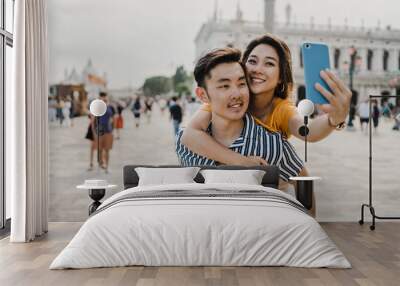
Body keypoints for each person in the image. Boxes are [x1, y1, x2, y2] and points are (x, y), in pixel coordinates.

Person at [181, 34, 352, 166]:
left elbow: (307, 131)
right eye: (252, 61)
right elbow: (190, 135)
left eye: (269, 64)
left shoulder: (281, 109)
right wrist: (242, 162)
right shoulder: (228, 100)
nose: (257, 70)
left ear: (280, 76)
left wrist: (334, 119)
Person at [176, 47, 306, 188]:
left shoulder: (273, 144)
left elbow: (304, 183)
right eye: (225, 86)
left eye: (242, 84)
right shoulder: (184, 144)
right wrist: (243, 162)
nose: (236, 94)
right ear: (203, 95)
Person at [97, 92, 115, 173]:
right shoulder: (98, 107)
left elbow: (113, 118)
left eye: (105, 98)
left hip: (108, 130)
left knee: (107, 150)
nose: (103, 99)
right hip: (100, 130)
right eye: (102, 98)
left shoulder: (110, 107)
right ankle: (101, 162)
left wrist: (113, 129)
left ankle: (107, 166)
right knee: (100, 149)